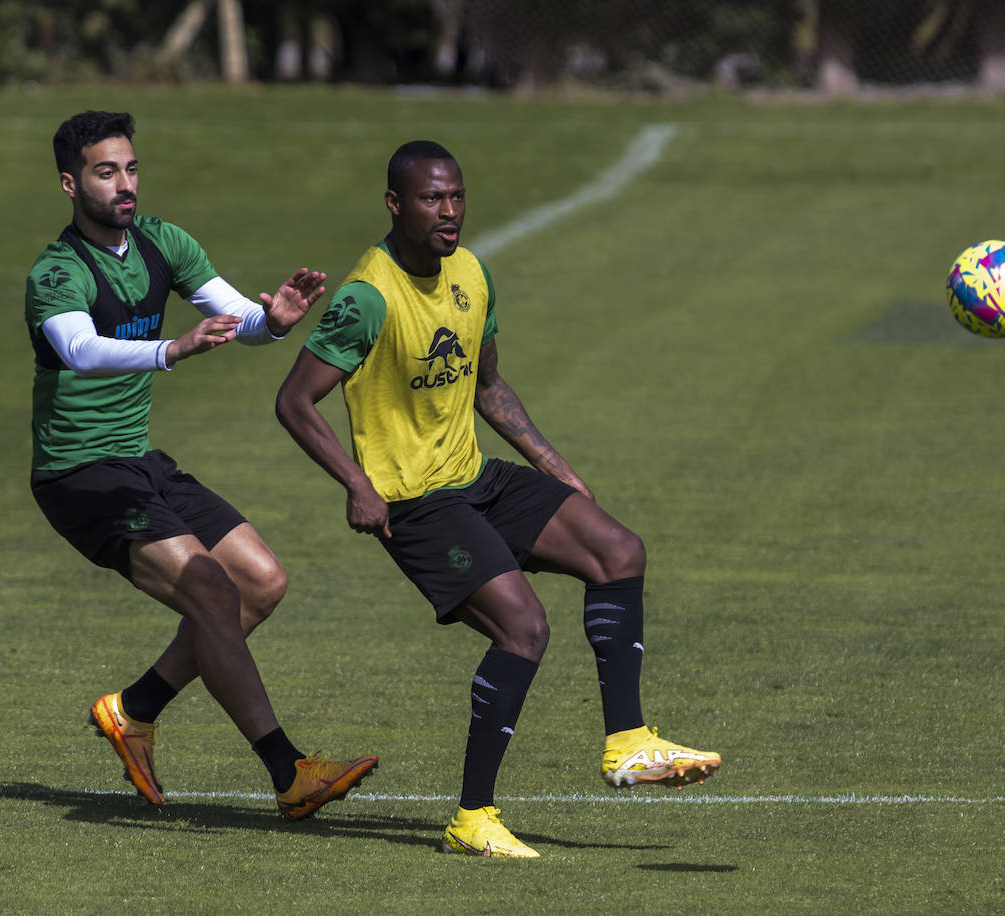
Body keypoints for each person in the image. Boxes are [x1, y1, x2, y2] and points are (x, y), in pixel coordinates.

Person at [274, 140, 720, 857]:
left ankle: (628, 743)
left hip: (477, 478)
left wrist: (552, 463)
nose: (447, 212)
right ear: (396, 205)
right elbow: (295, 402)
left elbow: (486, 382)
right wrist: (357, 484)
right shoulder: (367, 297)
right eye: (430, 199)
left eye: (455, 197)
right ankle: (471, 819)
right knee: (524, 629)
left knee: (618, 550)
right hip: (415, 504)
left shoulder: (471, 272)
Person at [24, 110, 376, 819]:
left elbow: (234, 316)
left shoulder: (162, 243)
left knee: (262, 583)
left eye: (130, 168)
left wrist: (271, 320)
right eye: (104, 171)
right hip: (79, 474)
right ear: (70, 183)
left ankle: (134, 709)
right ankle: (290, 773)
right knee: (213, 591)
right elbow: (80, 350)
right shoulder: (56, 273)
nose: (124, 184)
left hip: (139, 462)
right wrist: (170, 351)